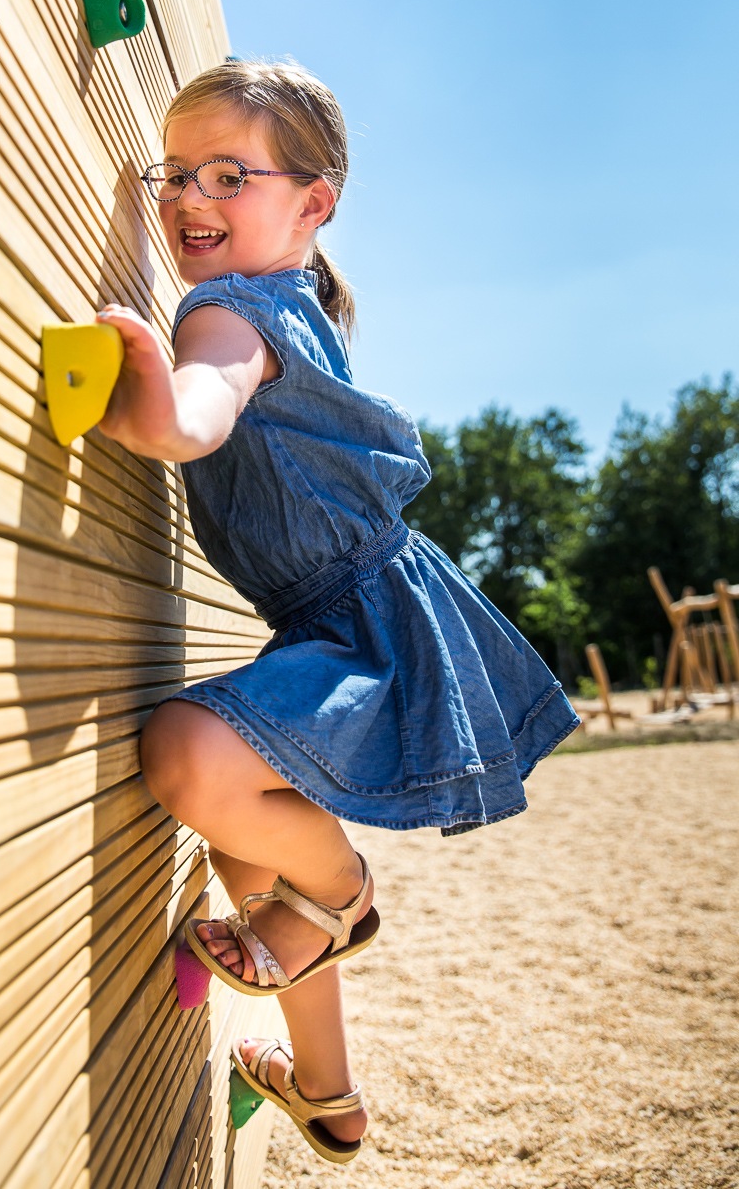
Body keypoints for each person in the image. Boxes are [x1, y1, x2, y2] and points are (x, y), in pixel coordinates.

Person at [95, 59, 580, 1165]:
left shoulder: (225, 311)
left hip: (358, 614)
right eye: (175, 175)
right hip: (351, 609)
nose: (188, 198)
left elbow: (200, 411)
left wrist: (153, 399)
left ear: (313, 203)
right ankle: (328, 1092)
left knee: (190, 755)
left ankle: (344, 896)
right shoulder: (295, 299)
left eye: (230, 173)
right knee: (242, 855)